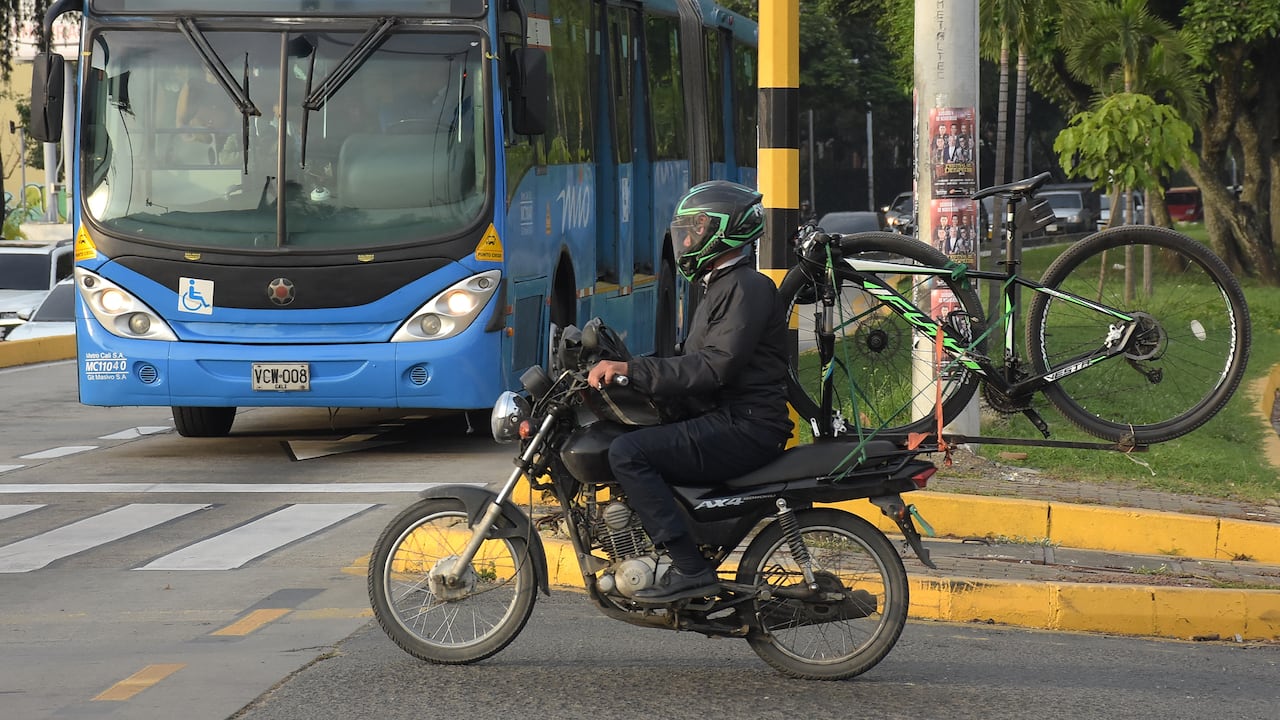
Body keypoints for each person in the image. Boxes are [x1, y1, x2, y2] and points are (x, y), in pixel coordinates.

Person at [587, 180, 793, 603]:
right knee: (631, 439)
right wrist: (628, 369)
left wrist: (633, 370)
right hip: (729, 417)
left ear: (722, 230)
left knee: (629, 453)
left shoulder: (746, 287)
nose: (685, 238)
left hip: (745, 425)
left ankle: (689, 567)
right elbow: (689, 359)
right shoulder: (721, 285)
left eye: (695, 228)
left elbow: (714, 366)